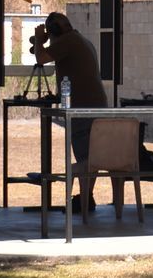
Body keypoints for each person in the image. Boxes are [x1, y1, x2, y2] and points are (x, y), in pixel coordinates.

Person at [29, 11, 106, 215]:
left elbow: (41, 58)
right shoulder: (79, 38)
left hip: (83, 107)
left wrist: (39, 40)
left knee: (84, 157)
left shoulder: (69, 40)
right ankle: (85, 197)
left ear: (54, 31)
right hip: (94, 105)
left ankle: (84, 199)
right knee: (91, 157)